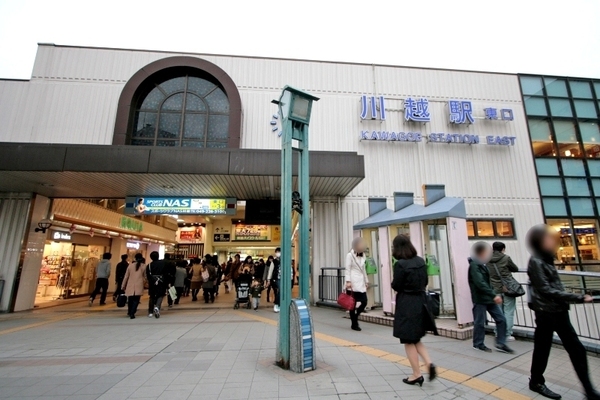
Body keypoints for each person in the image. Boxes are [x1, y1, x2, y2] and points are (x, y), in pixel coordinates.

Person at [526, 225, 599, 400]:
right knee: (543, 349)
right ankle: (536, 381)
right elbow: (546, 290)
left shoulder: (546, 258)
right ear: (539, 242)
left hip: (557, 311)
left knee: (575, 350)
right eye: (548, 239)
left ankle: (589, 390)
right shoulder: (536, 261)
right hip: (546, 313)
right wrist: (578, 297)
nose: (552, 241)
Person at [391, 234, 438, 386]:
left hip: (407, 303)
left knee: (408, 340)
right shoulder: (420, 261)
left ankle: (416, 374)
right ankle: (429, 363)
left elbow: (396, 285)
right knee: (416, 338)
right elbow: (425, 281)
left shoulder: (400, 264)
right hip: (421, 302)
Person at [468, 242, 514, 354]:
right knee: (480, 322)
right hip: (480, 298)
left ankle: (501, 343)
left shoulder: (482, 264)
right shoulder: (474, 265)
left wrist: (492, 294)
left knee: (501, 319)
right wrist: (493, 295)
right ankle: (478, 344)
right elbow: (480, 283)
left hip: (489, 297)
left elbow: (486, 282)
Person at [488, 241, 520, 341]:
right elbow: (515, 268)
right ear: (503, 249)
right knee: (508, 312)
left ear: (493, 249)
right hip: (507, 288)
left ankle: (498, 333)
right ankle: (507, 334)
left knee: (498, 313)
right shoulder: (506, 258)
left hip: (495, 289)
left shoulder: (487, 259)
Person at [345, 238, 369, 331]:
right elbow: (347, 268)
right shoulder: (350, 255)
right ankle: (354, 324)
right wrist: (348, 281)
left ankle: (356, 315)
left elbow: (364, 269)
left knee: (364, 301)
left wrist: (366, 281)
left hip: (361, 281)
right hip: (353, 282)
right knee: (352, 304)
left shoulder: (363, 255)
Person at [122, 253, 145, 319]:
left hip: (130, 285)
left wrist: (123, 285)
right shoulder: (143, 266)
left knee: (130, 299)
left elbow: (126, 277)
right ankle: (132, 313)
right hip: (139, 285)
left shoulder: (130, 266)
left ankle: (129, 312)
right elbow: (145, 276)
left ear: (135, 258)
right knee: (136, 300)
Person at [146, 251, 168, 318]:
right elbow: (166, 273)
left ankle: (150, 312)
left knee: (152, 296)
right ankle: (157, 307)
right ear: (158, 256)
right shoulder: (163, 264)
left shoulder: (149, 265)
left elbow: (148, 275)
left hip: (152, 282)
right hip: (161, 281)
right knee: (160, 295)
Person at [266, 248, 281, 312]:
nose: (277, 253)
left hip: (283, 278)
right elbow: (270, 271)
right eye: (276, 252)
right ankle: (276, 304)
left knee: (281, 291)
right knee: (280, 290)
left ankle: (279, 304)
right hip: (276, 278)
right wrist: (268, 279)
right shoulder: (274, 261)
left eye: (279, 252)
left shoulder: (284, 260)